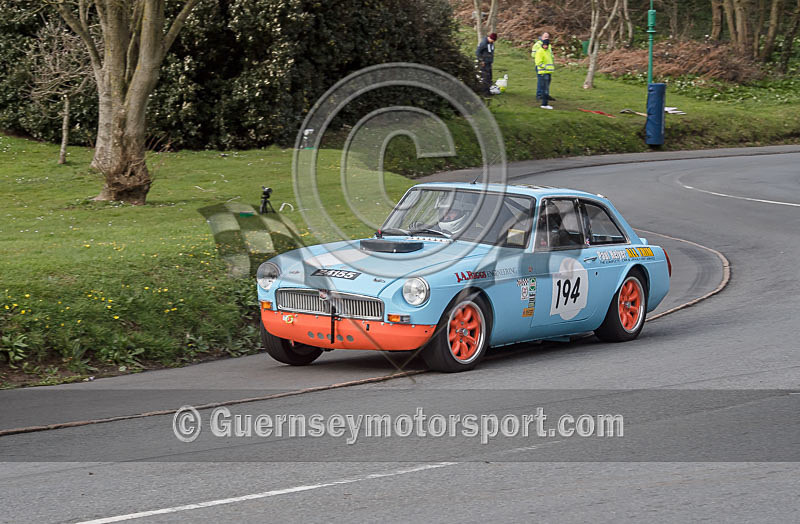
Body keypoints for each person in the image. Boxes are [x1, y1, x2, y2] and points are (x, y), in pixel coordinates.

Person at [531, 32, 556, 102]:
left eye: (548, 37)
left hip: (548, 67)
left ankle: (545, 94)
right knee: (541, 81)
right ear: (541, 37)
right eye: (545, 37)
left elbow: (550, 55)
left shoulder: (548, 45)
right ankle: (539, 95)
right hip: (541, 66)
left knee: (547, 81)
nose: (546, 38)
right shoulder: (537, 45)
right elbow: (533, 55)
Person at [534, 38, 554, 109]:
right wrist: (546, 67)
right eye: (544, 45)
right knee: (545, 90)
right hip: (543, 73)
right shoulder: (540, 52)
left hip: (548, 72)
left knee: (546, 89)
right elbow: (538, 63)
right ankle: (544, 104)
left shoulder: (548, 52)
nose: (545, 46)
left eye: (546, 45)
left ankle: (545, 103)